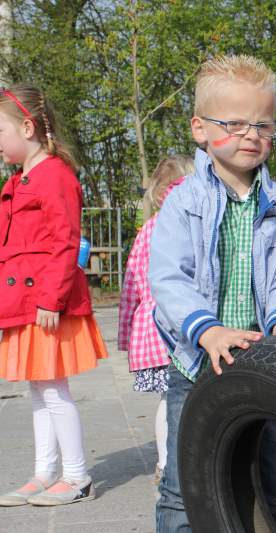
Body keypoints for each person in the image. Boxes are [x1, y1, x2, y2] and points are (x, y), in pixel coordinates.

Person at [148, 55, 276, 532]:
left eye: (262, 124)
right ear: (200, 129)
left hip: (266, 366)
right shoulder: (183, 203)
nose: (251, 135)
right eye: (235, 123)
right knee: (184, 488)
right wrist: (207, 329)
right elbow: (168, 276)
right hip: (197, 364)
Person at [0, 84, 108, 506]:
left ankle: (77, 476)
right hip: (23, 305)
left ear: (26, 127)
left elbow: (66, 241)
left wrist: (51, 299)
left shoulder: (55, 175)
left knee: (55, 389)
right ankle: (45, 472)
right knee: (38, 388)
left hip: (46, 304)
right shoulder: (20, 179)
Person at [117, 155, 194, 484]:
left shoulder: (147, 229)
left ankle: (166, 461)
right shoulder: (188, 226)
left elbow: (130, 285)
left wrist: (125, 335)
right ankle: (176, 460)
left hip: (150, 331)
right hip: (176, 327)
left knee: (169, 399)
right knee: (184, 397)